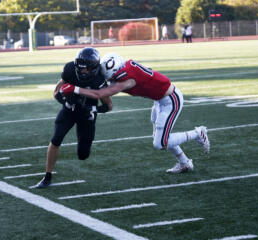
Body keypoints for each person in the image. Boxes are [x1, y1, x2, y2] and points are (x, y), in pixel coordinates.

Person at [60, 53, 210, 173]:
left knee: (160, 143)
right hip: (160, 100)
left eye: (111, 78)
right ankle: (185, 163)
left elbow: (101, 94)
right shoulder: (124, 66)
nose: (111, 80)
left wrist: (76, 89)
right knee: (161, 136)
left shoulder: (127, 80)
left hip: (171, 100)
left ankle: (198, 133)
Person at [35, 47, 113, 188]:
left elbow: (108, 106)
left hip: (87, 114)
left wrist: (92, 109)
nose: (83, 71)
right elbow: (56, 92)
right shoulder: (70, 69)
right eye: (81, 68)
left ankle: (82, 147)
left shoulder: (99, 79)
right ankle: (47, 176)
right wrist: (66, 102)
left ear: (94, 68)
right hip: (69, 110)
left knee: (83, 154)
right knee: (56, 139)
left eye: (86, 69)